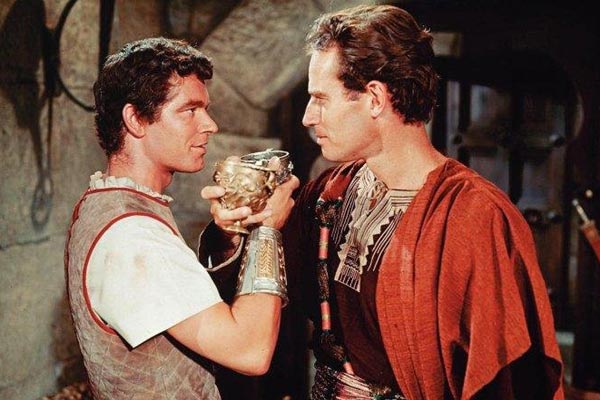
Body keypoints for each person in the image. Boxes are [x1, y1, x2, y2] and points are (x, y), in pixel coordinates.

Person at [204, 5, 564, 400]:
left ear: (375, 98)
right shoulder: (331, 191)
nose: (308, 117)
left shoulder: (474, 215)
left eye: (321, 99)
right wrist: (234, 230)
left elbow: (507, 377)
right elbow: (260, 300)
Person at [64, 37, 298, 399]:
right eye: (189, 110)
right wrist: (268, 231)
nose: (210, 125)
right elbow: (250, 352)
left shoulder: (109, 203)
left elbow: (180, 305)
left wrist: (227, 236)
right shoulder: (133, 236)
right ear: (135, 119)